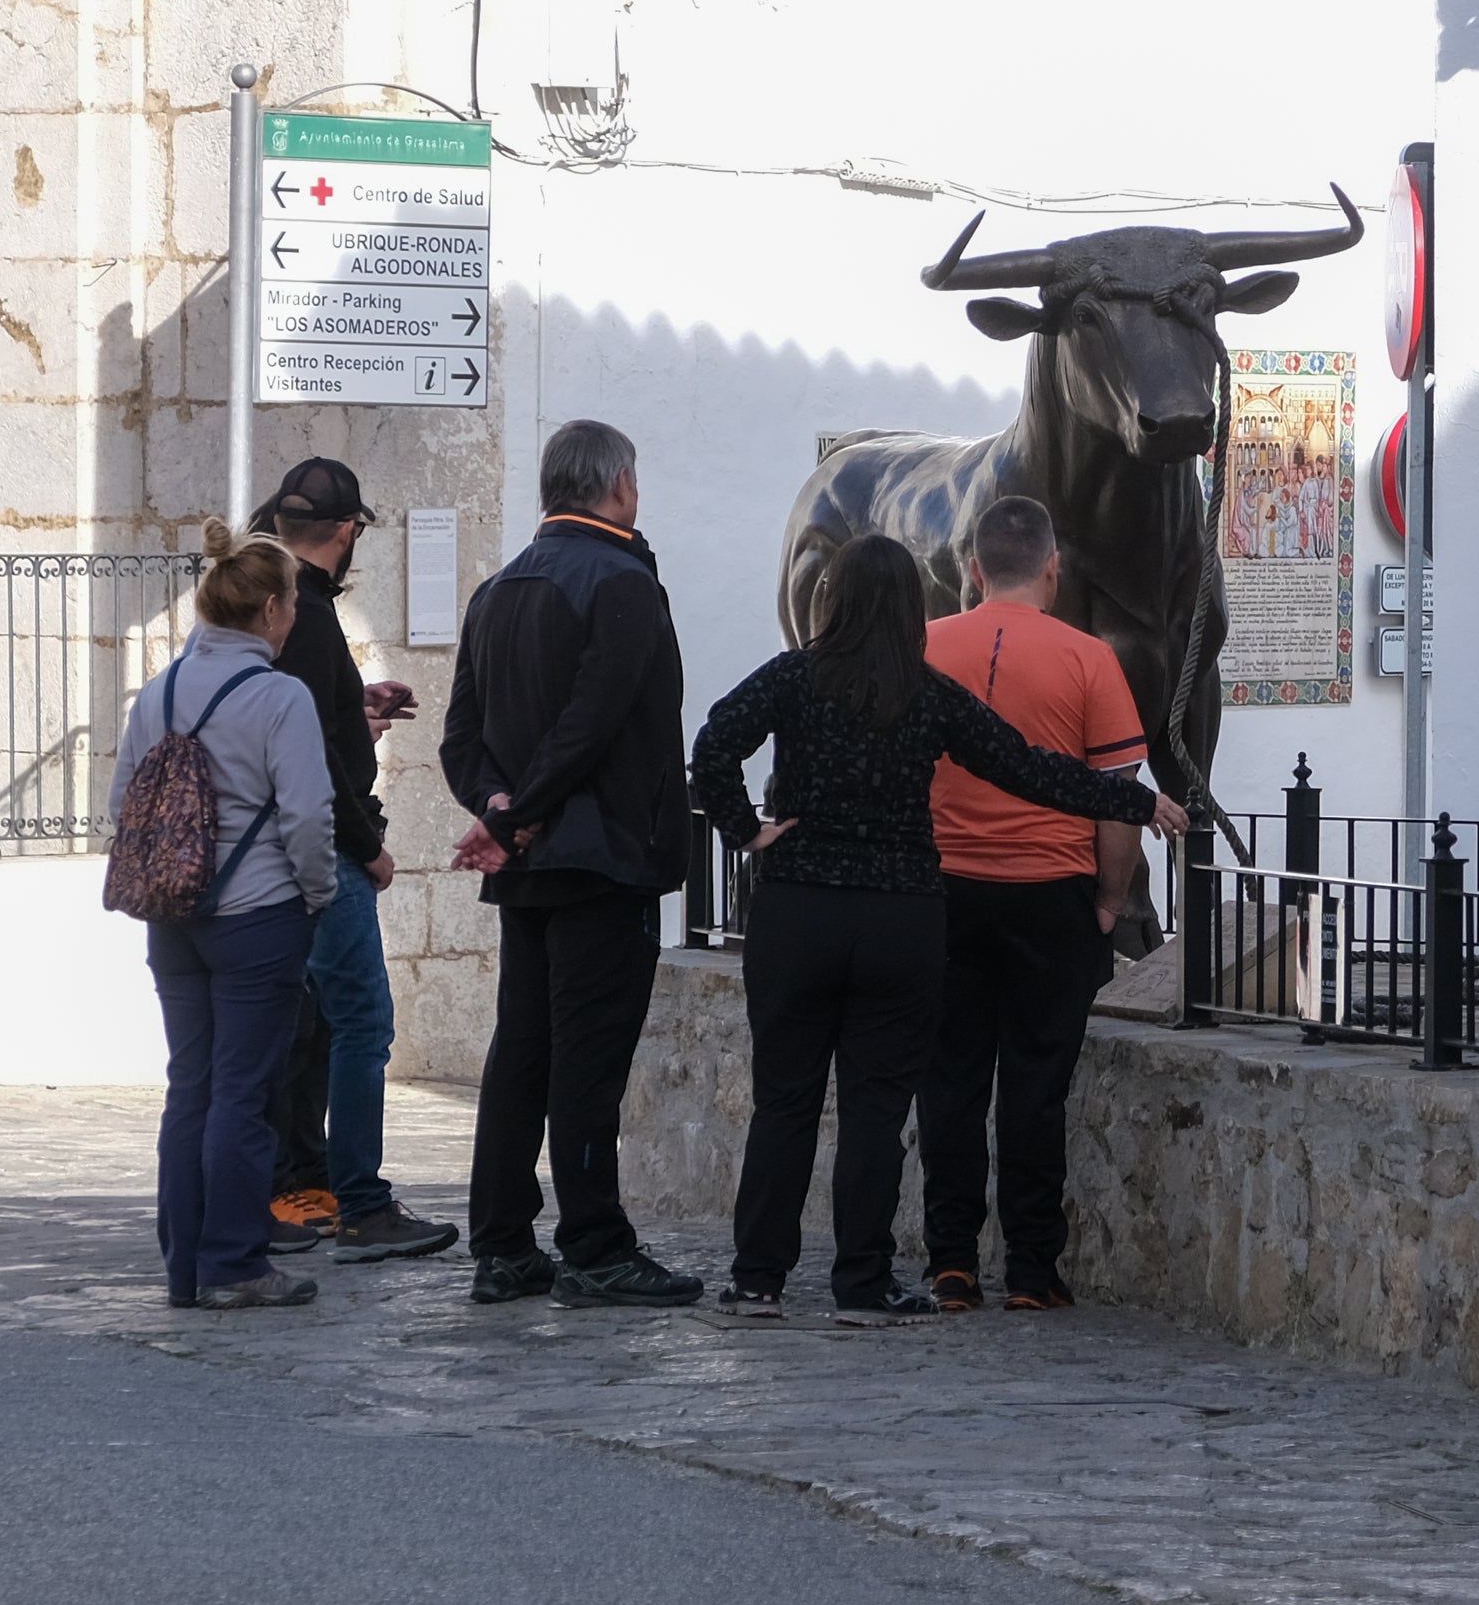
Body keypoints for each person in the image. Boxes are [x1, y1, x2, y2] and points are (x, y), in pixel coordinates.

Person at [689, 534, 1188, 1325]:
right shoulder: (926, 698)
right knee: (876, 1108)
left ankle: (757, 1279)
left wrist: (744, 830)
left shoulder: (793, 679)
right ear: (909, 610)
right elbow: (1027, 767)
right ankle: (862, 1282)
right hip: (899, 916)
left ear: (835, 601)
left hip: (799, 910)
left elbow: (713, 742)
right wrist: (1133, 801)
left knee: (782, 1101)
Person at [440, 419, 704, 1308]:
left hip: (530, 857)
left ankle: (504, 1243)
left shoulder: (497, 587)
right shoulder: (622, 582)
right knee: (586, 1060)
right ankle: (593, 1244)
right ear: (620, 484)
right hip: (603, 854)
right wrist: (527, 809)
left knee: (522, 1053)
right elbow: (594, 720)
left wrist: (501, 811)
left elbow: (463, 738)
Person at [916, 497, 1149, 1313]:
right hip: (1050, 898)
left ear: (972, 570)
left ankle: (949, 1262)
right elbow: (1117, 800)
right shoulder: (1089, 659)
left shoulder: (924, 646)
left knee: (948, 1081)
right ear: (1053, 569)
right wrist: (1108, 902)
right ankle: (1029, 1268)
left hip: (942, 893)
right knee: (1035, 1087)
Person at [113, 520, 339, 1310]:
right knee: (245, 1095)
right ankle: (236, 1264)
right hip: (259, 916)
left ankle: (186, 1267)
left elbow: (124, 805)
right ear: (273, 609)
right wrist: (316, 895)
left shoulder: (160, 691)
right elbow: (309, 817)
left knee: (193, 1089)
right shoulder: (279, 697)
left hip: (171, 918)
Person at [253, 457, 456, 1266]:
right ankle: (363, 1203)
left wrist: (353, 711)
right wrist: (369, 850)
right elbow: (307, 757)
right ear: (348, 531)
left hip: (287, 846)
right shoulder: (301, 610)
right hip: (325, 849)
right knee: (361, 1022)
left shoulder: (285, 607)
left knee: (306, 1026)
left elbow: (302, 725)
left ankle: (303, 1183)